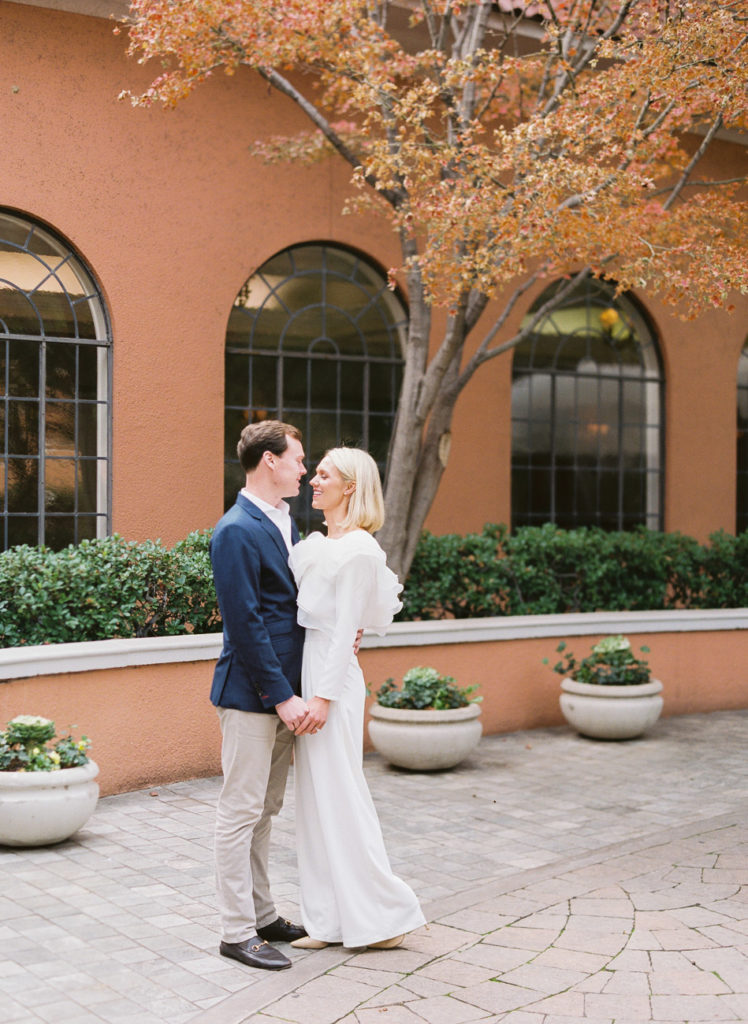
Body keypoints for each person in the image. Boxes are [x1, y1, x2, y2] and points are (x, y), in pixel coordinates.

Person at [287, 447, 426, 950]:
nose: (313, 481)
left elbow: (348, 628)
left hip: (333, 682)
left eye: (323, 475)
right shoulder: (318, 543)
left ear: (350, 486)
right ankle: (327, 922)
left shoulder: (361, 550)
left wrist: (321, 698)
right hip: (311, 670)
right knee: (315, 804)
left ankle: (386, 916)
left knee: (343, 797)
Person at [209, 420, 311, 972]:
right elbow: (245, 624)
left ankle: (264, 915)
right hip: (252, 696)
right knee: (239, 812)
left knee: (265, 811)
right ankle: (234, 930)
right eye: (297, 458)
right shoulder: (235, 530)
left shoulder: (284, 521)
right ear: (269, 461)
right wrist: (281, 697)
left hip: (283, 695)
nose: (302, 468)